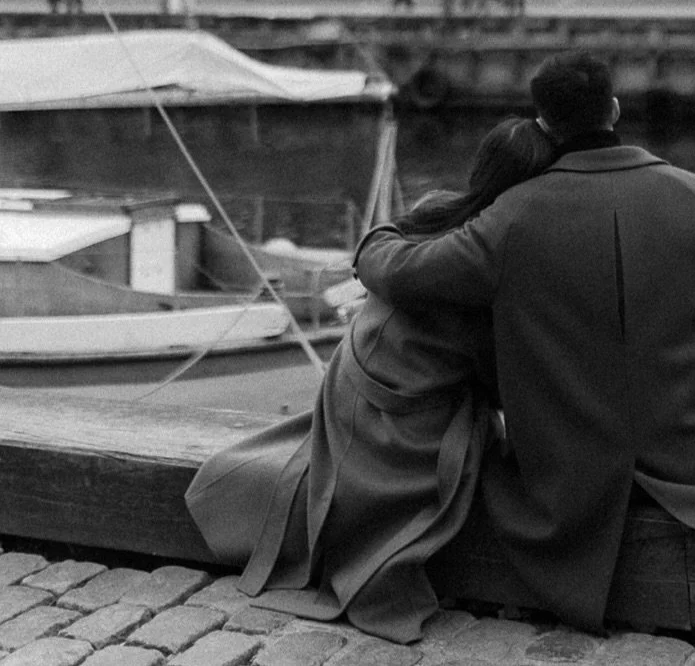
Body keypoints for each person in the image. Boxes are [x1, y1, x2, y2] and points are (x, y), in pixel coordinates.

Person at [355, 51, 695, 634]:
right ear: (615, 110)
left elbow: (403, 273)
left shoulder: (510, 218)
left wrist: (375, 240)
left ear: (543, 124)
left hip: (568, 476)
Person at [186, 116, 557, 645]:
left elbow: (383, 254)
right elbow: (498, 378)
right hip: (409, 422)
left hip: (349, 396)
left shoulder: (435, 209)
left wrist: (372, 251)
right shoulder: (493, 255)